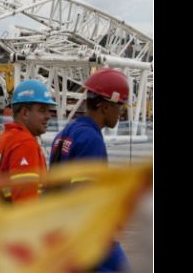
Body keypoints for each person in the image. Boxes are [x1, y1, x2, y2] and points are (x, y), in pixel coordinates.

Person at [49, 68, 131, 272]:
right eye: (119, 107)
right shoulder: (91, 140)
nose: (121, 114)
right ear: (104, 107)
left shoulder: (66, 133)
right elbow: (85, 192)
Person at [0, 79, 54, 203]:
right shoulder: (24, 143)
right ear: (25, 113)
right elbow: (26, 204)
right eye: (42, 110)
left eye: (49, 110)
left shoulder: (5, 138)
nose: (48, 116)